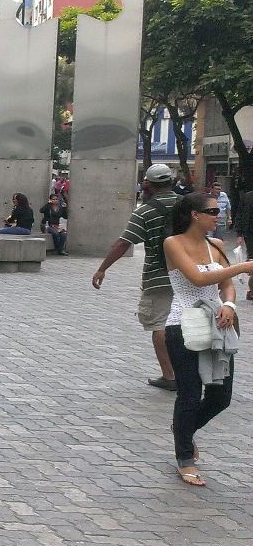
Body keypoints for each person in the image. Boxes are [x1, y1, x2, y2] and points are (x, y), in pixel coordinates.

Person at [158, 193, 247, 486]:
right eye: (211, 211)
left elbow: (226, 286)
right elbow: (197, 279)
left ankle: (183, 429)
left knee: (221, 396)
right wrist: (243, 266)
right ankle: (185, 457)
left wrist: (229, 305)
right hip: (182, 325)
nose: (217, 215)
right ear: (194, 215)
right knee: (190, 393)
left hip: (218, 324)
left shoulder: (217, 245)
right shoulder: (174, 243)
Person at [92, 164, 182, 391]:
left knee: (160, 324)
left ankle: (170, 376)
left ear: (148, 184)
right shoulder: (188, 205)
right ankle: (191, 373)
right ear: (171, 181)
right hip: (192, 274)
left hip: (158, 275)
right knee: (186, 323)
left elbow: (125, 242)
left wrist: (102, 268)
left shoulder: (145, 211)